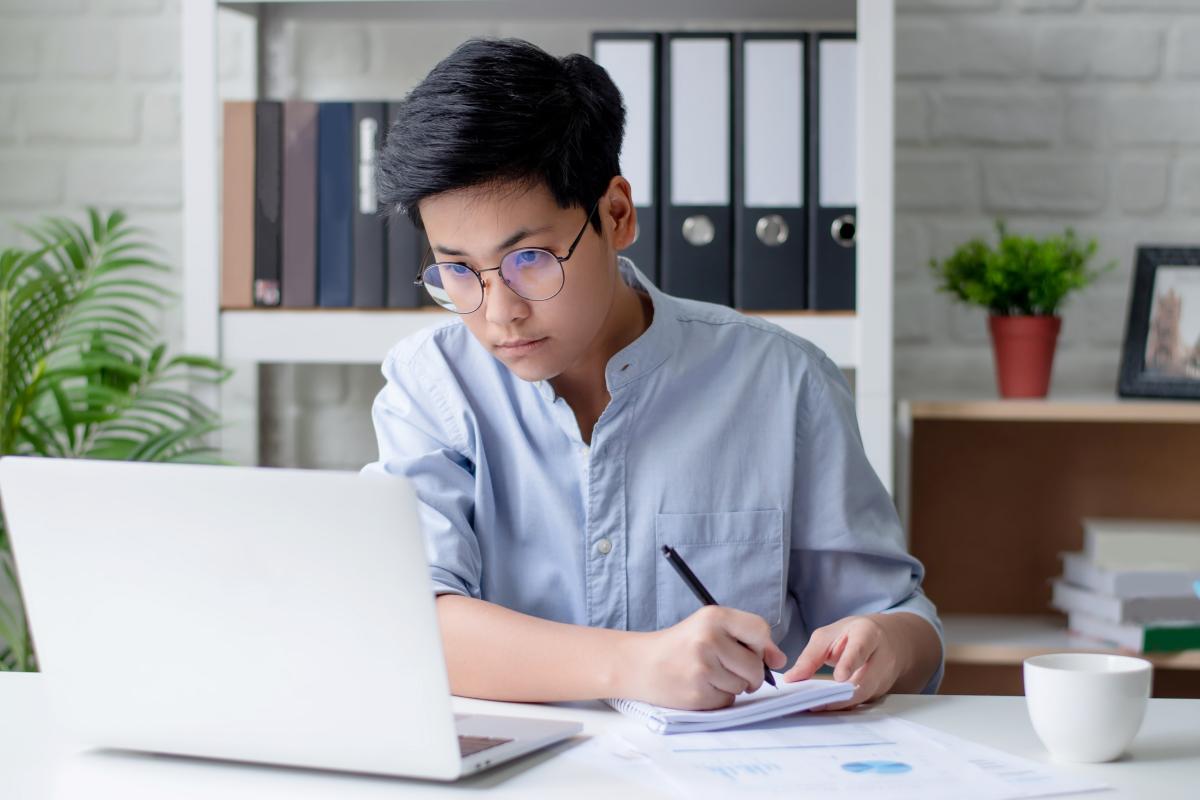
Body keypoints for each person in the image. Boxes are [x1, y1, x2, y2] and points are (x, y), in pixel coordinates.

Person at [362, 37, 942, 711]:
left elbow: (902, 619)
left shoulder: (785, 384)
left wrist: (885, 642)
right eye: (458, 271)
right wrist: (634, 665)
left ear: (616, 214)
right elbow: (411, 617)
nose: (500, 314)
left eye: (531, 260)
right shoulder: (432, 387)